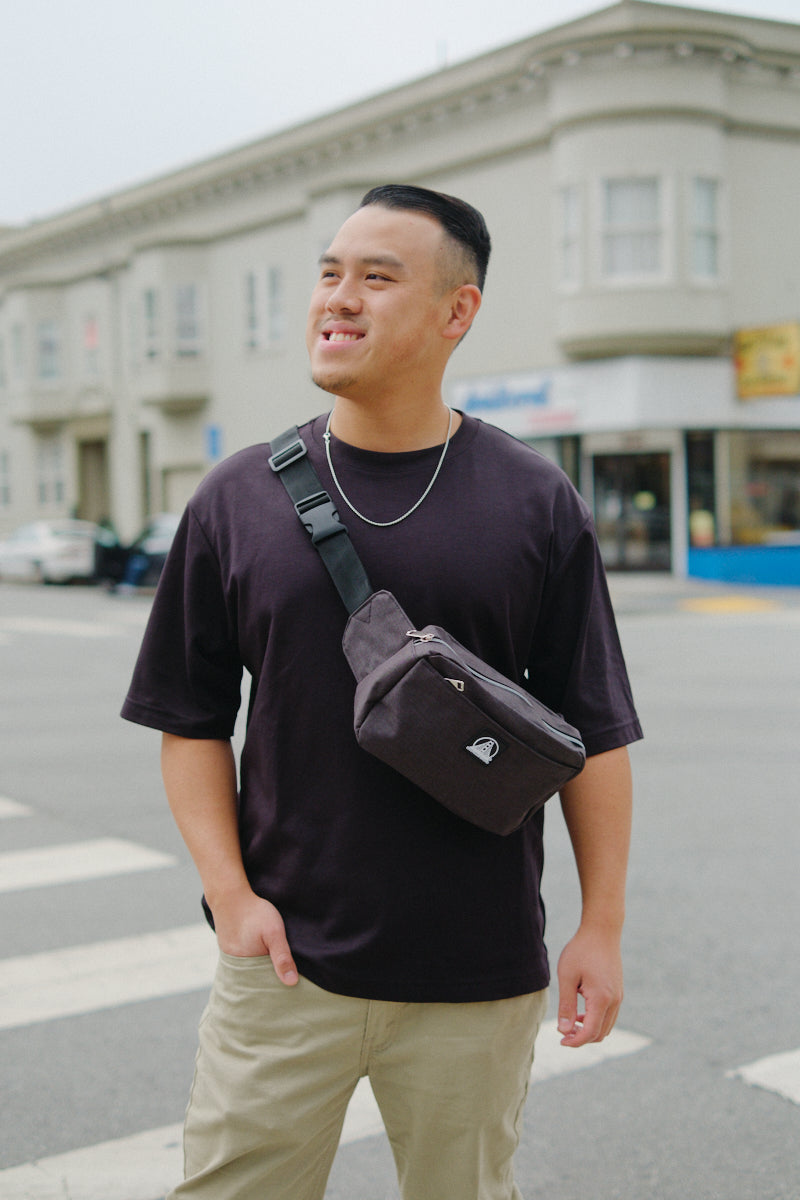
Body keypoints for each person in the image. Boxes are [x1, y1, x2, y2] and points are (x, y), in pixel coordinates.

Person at [122, 184, 642, 1200]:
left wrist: (600, 927)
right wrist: (233, 902)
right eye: (328, 273)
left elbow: (595, 731)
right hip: (283, 966)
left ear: (457, 312)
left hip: (478, 974)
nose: (339, 297)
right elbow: (187, 721)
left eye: (376, 276)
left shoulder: (534, 501)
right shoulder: (237, 496)